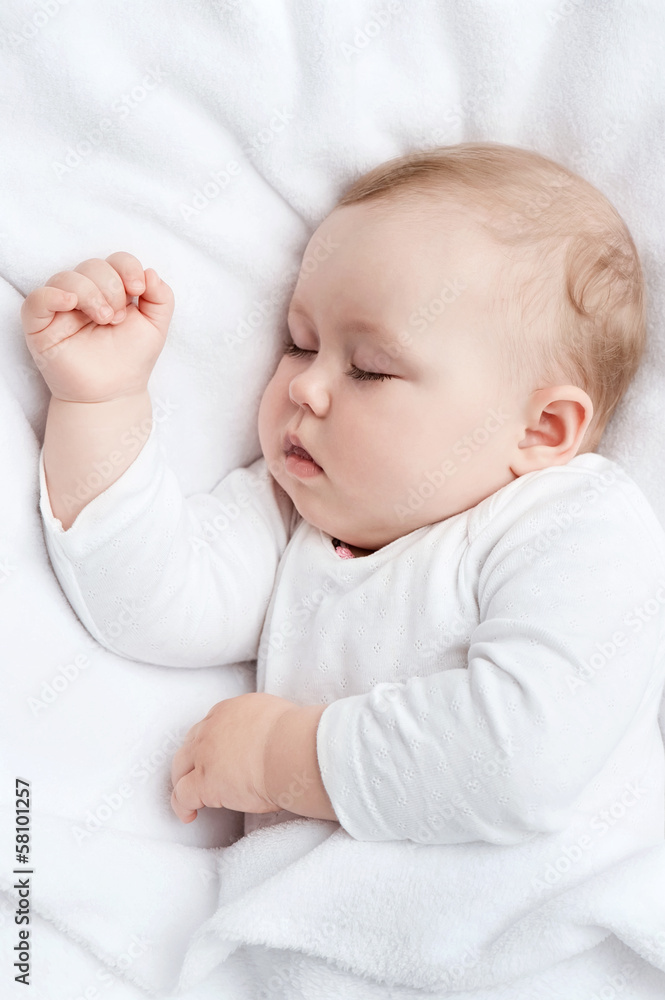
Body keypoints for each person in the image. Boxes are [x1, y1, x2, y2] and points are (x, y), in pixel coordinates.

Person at [22, 141, 665, 992]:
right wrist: (97, 402)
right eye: (298, 344)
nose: (306, 389)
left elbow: (522, 754)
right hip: (310, 951)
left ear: (540, 431)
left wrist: (284, 756)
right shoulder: (293, 514)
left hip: (544, 937)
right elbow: (150, 601)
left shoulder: (571, 523)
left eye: (368, 367)